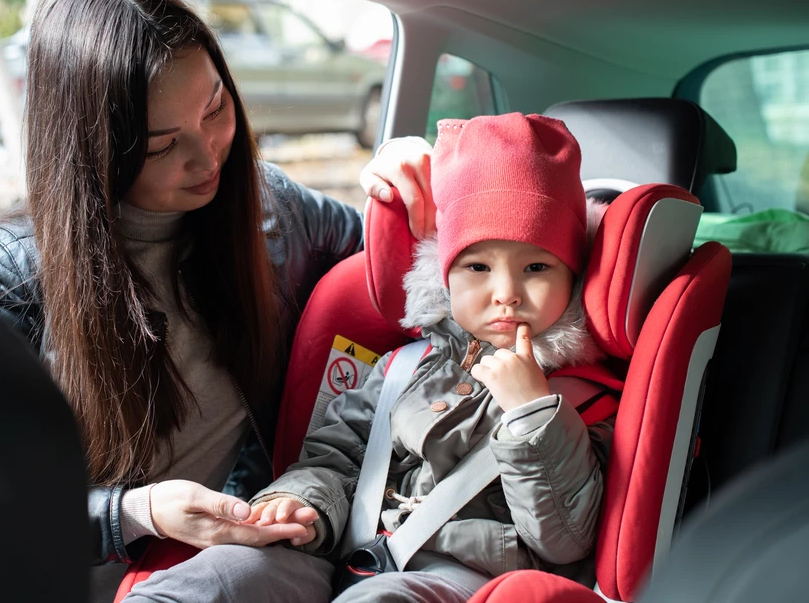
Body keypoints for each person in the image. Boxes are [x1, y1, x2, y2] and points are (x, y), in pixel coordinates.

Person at [0, 0, 432, 587]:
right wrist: (136, 513)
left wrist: (398, 179)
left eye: (216, 107)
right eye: (162, 145)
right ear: (95, 150)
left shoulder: (273, 212)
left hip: (238, 567)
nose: (208, 154)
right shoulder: (1, 277)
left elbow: (409, 268)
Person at [121, 113, 615, 603]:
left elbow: (566, 539)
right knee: (217, 577)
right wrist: (297, 504)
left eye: (536, 267)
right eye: (478, 266)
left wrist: (532, 415)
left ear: (573, 275)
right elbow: (333, 460)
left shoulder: (583, 400)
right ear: (444, 275)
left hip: (462, 579)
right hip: (344, 553)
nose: (505, 293)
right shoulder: (402, 368)